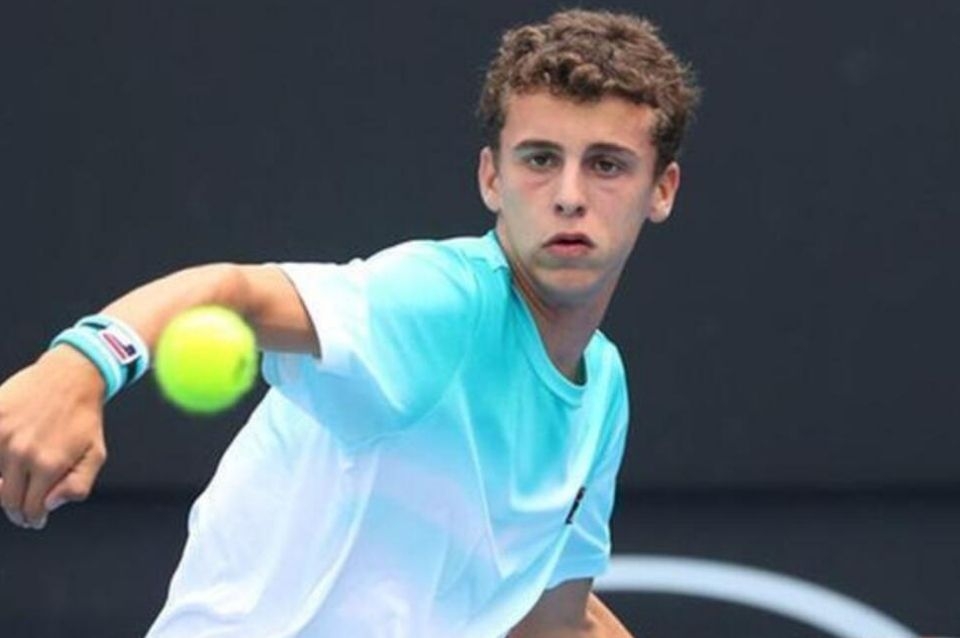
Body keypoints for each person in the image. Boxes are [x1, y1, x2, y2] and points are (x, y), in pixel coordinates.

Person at [0, 8, 698, 637]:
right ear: (493, 178)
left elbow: (554, 620)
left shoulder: (601, 387)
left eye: (606, 165)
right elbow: (234, 291)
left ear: (660, 189)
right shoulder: (439, 301)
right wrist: (82, 363)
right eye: (540, 159)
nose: (569, 196)